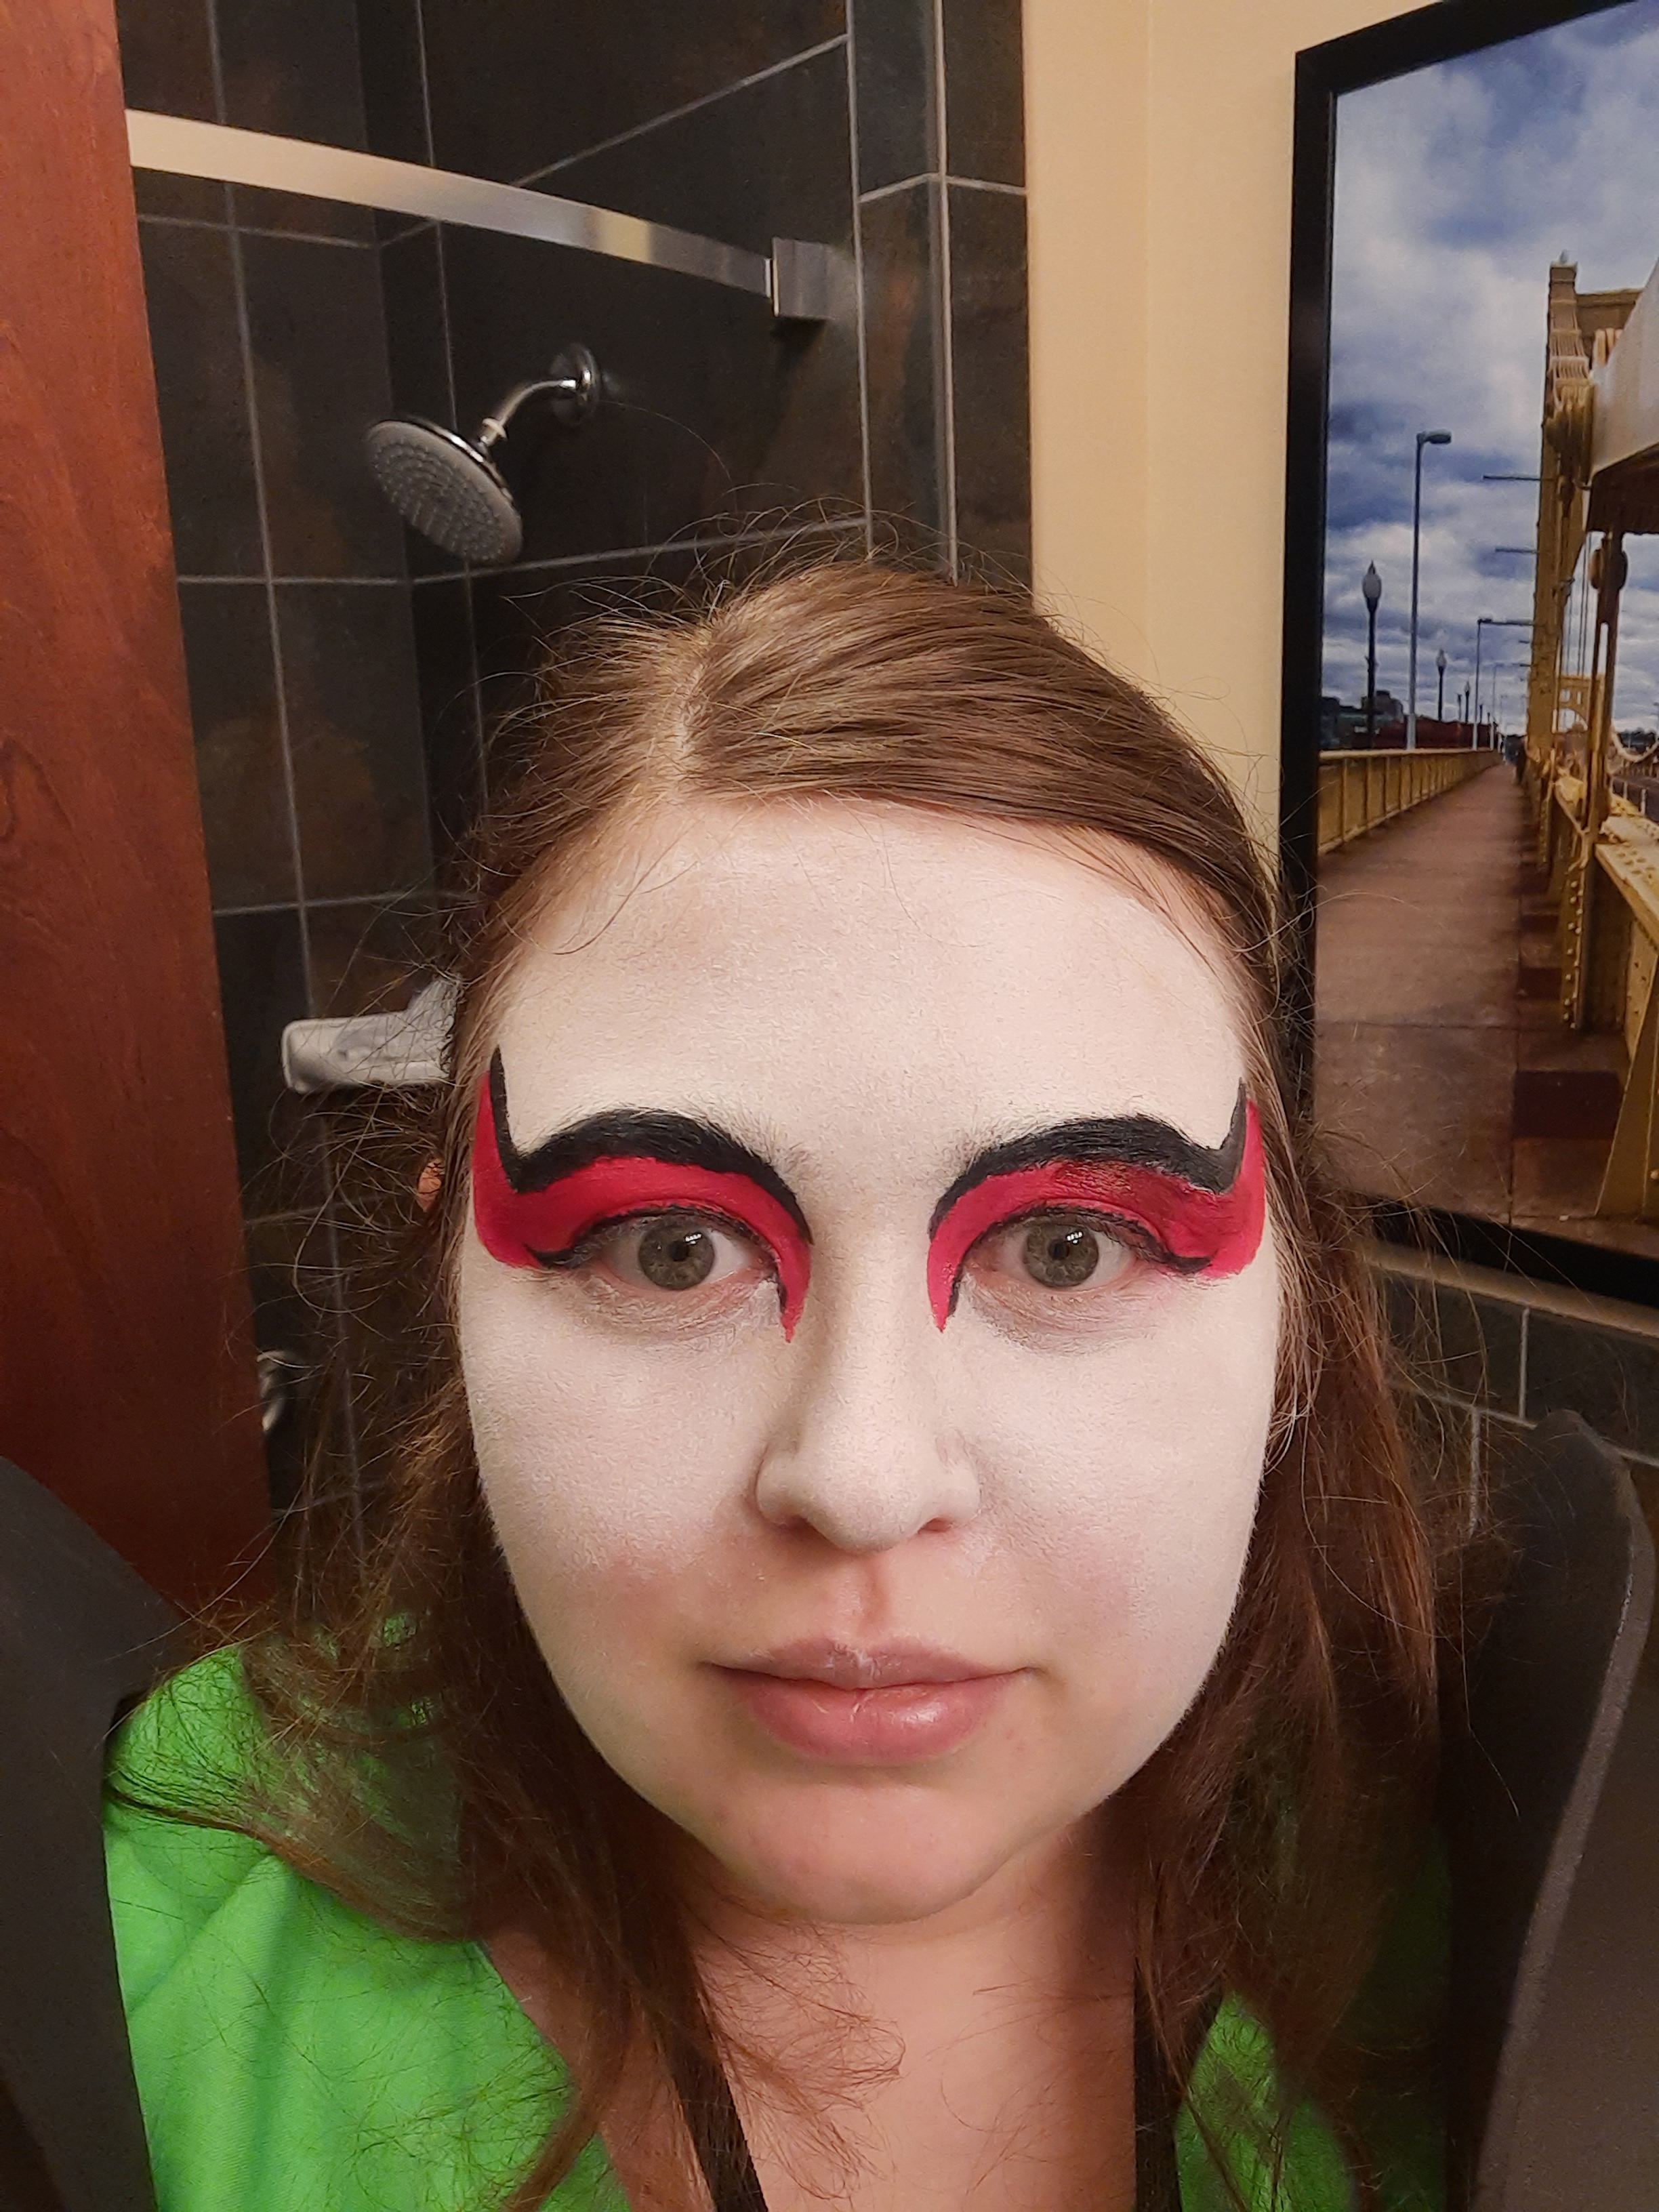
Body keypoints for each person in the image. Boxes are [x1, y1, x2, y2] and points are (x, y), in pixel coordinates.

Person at [106, 558, 1457, 2212]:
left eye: (1066, 1251)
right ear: (448, 1275)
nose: (864, 1476)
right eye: (670, 1250)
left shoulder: (1533, 1925)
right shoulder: (105, 1986)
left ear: (1297, 1313)